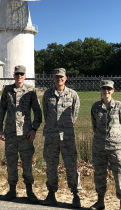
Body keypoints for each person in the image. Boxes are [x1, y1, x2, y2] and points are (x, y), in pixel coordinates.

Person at [0, 65, 42, 203]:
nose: (19, 76)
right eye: (17, 74)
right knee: (11, 162)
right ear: (14, 75)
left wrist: (34, 129)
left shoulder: (31, 91)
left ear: (25, 76)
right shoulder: (7, 90)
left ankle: (29, 191)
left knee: (27, 163)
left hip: (26, 134)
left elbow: (38, 112)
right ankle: (12, 190)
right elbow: (1, 110)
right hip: (10, 133)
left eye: (21, 74)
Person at [42, 68, 81, 208]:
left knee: (71, 165)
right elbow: (45, 113)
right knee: (51, 166)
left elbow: (74, 114)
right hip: (51, 136)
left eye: (62, 77)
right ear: (53, 78)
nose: (59, 79)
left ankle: (76, 194)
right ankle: (51, 193)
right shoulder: (47, 94)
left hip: (67, 137)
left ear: (66, 78)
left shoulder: (72, 94)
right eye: (57, 76)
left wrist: (66, 126)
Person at [90, 80, 121, 210]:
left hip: (116, 147)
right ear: (100, 90)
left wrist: (115, 137)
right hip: (99, 146)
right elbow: (94, 126)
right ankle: (100, 201)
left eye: (109, 89)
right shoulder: (95, 107)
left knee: (119, 174)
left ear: (113, 90)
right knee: (99, 174)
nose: (106, 91)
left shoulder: (119, 106)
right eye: (104, 88)